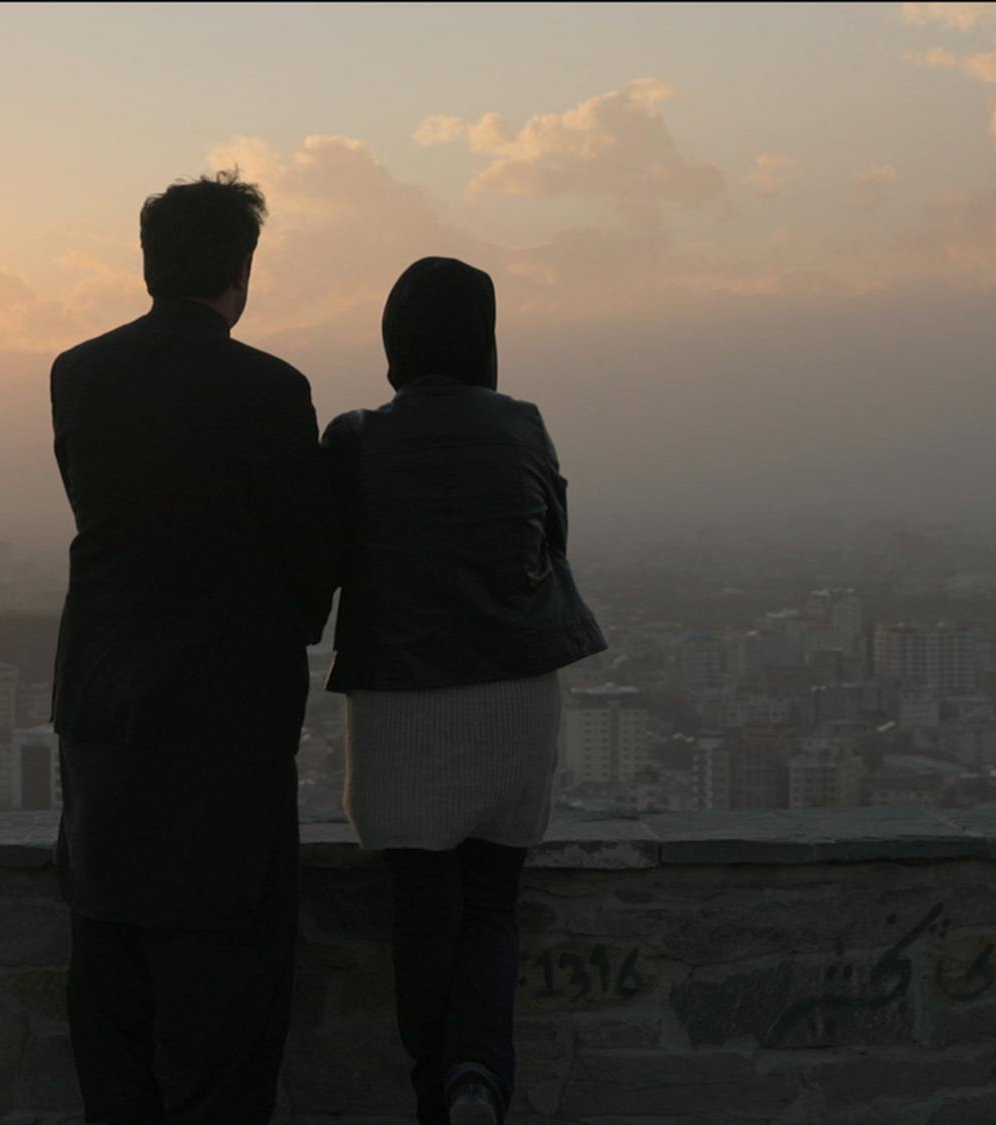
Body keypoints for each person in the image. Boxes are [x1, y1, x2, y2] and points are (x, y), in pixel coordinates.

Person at [48, 171, 338, 1124]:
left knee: (114, 1026)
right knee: (225, 1041)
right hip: (224, 746)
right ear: (241, 270)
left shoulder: (77, 375)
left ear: (146, 264)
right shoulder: (270, 390)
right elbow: (309, 564)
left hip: (105, 732)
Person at [321, 257, 607, 1125]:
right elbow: (551, 539)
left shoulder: (354, 438)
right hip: (514, 696)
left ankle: (437, 1089)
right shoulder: (522, 427)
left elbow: (327, 558)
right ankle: (476, 1076)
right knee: (492, 900)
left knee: (423, 902)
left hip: (405, 706)